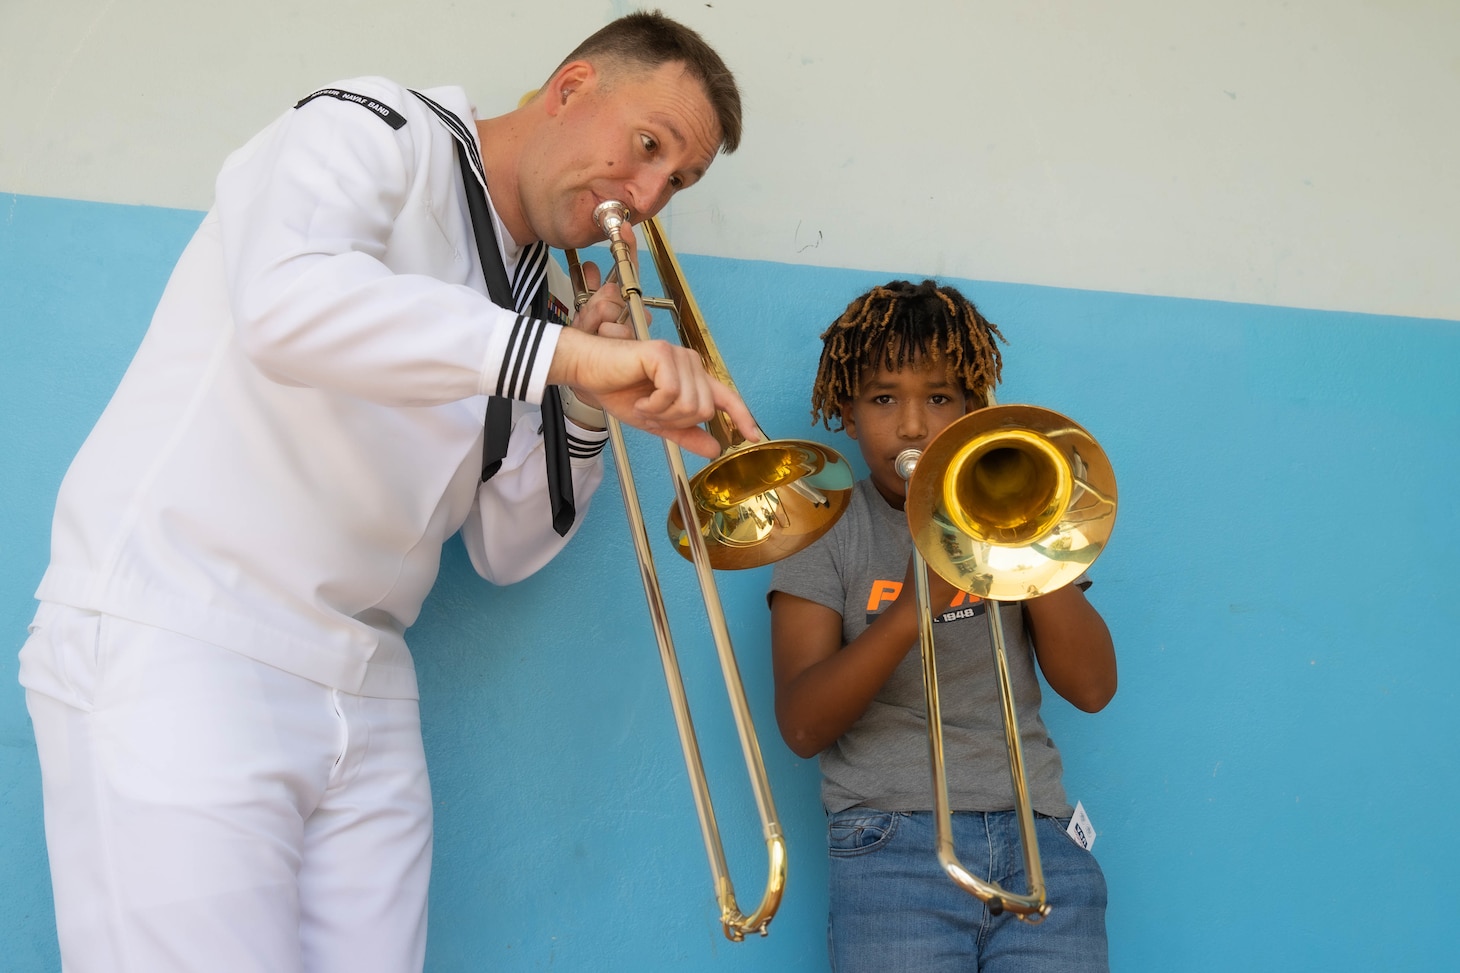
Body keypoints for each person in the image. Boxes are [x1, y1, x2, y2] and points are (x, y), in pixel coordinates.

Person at [18, 10, 750, 973]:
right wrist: (563, 351)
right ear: (572, 89)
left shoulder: (540, 293)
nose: (649, 193)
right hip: (182, 630)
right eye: (648, 146)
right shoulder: (374, 126)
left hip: (365, 675)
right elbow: (289, 306)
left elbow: (508, 547)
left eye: (676, 181)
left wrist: (582, 398)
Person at [767, 279, 1118, 973]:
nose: (911, 426)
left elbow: (1093, 686)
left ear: (972, 409)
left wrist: (1019, 540)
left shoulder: (1012, 505)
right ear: (845, 410)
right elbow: (803, 726)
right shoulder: (830, 529)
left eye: (938, 397)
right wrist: (912, 609)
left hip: (1040, 836)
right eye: (881, 398)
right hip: (891, 845)